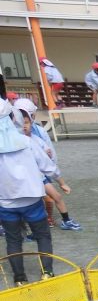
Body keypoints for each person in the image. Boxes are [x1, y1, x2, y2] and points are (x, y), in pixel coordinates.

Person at [0, 98, 57, 285]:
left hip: (6, 202)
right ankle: (47, 272)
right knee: (42, 235)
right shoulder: (26, 141)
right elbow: (48, 167)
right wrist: (56, 176)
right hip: (31, 200)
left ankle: (19, 278)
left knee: (13, 240)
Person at [13, 99, 82, 231]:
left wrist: (61, 182)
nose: (24, 126)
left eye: (27, 122)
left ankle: (64, 220)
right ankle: (29, 228)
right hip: (26, 179)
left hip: (39, 176)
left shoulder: (36, 136)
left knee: (54, 197)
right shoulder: (17, 140)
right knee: (30, 204)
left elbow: (48, 161)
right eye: (21, 123)